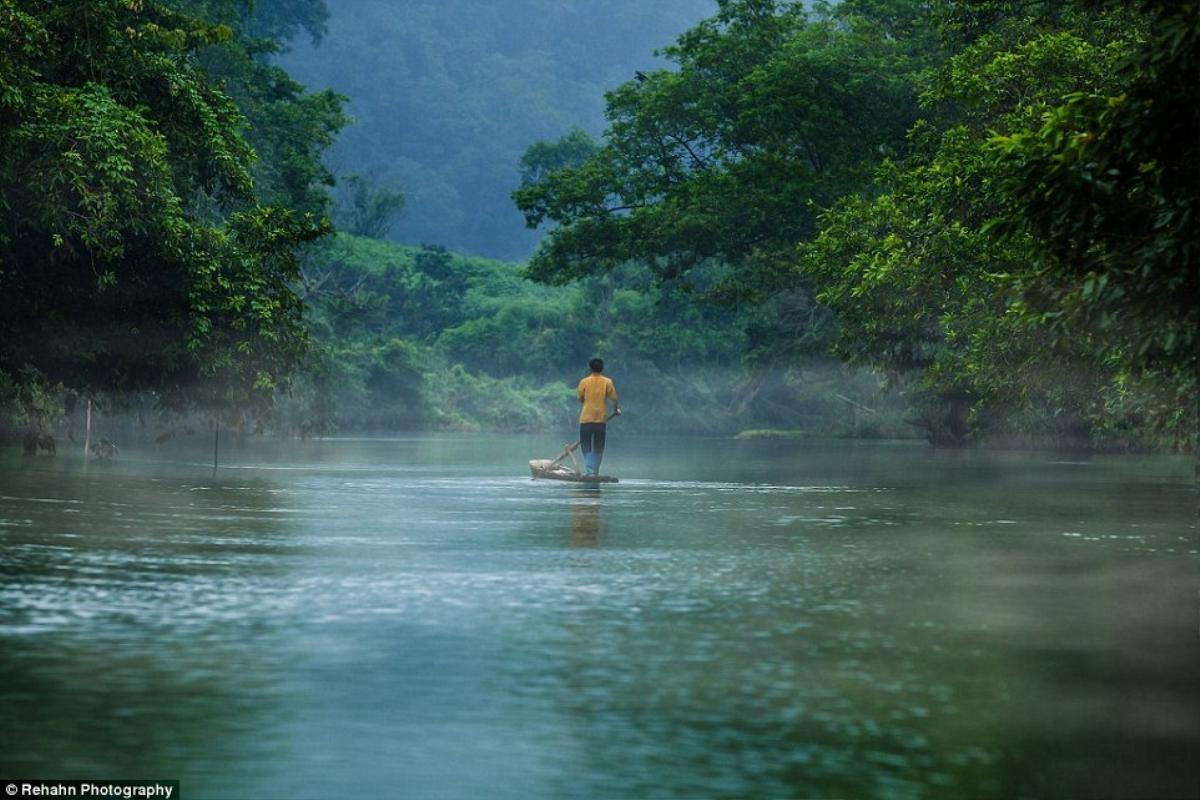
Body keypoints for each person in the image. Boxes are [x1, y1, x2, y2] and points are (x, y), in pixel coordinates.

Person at [577, 358, 620, 475]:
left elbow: (580, 398)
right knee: (599, 445)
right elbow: (614, 398)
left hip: (586, 418)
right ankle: (593, 470)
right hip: (601, 419)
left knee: (585, 445)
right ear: (602, 368)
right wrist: (616, 410)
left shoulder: (584, 382)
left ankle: (590, 470)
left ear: (590, 368)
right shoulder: (607, 382)